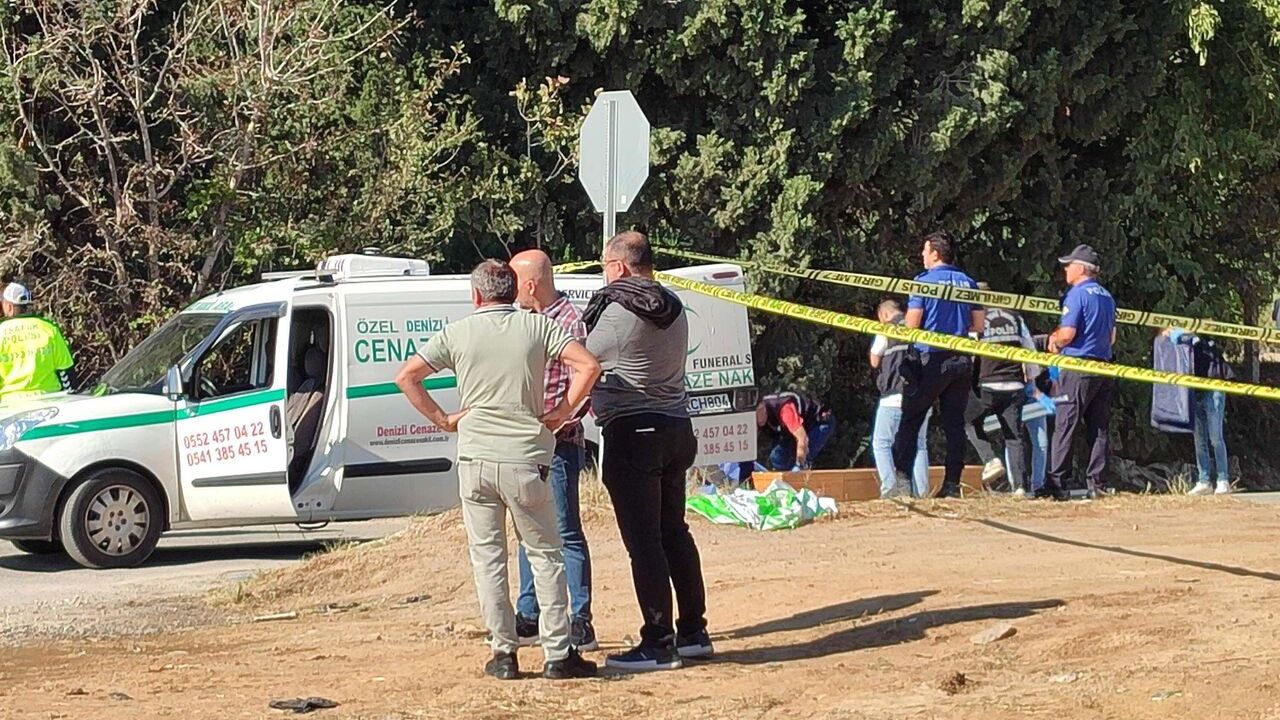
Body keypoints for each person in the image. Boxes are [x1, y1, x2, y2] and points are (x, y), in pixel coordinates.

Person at [394, 259, 601, 681]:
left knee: (488, 557)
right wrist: (562, 412)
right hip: (526, 457)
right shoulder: (538, 327)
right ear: (514, 290)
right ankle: (558, 653)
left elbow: (407, 377)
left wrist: (444, 419)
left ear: (476, 295)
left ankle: (503, 652)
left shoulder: (457, 332)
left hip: (475, 459)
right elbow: (589, 366)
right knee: (545, 553)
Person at [585, 230, 711, 672]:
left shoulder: (619, 313)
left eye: (604, 266)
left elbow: (581, 360)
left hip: (634, 430)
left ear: (619, 267)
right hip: (676, 425)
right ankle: (693, 631)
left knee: (644, 542)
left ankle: (658, 641)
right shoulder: (673, 305)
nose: (604, 275)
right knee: (674, 531)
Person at [509, 249, 597, 650]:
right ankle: (529, 615)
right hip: (527, 443)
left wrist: (562, 415)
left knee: (565, 531)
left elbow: (586, 374)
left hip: (559, 444)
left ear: (531, 285)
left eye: (515, 282)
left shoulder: (567, 321)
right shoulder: (525, 319)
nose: (511, 290)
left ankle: (580, 620)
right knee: (528, 530)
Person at [891, 231, 984, 498]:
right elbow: (978, 325)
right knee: (954, 423)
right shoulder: (968, 283)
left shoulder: (924, 282)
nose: (922, 254)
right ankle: (952, 484)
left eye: (925, 250)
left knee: (911, 419)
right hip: (961, 359)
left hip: (930, 358)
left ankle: (903, 483)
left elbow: (912, 324)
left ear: (935, 253)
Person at [1044, 244, 1117, 501]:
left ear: (1081, 269)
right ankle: (1098, 483)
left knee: (1065, 425)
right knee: (1098, 428)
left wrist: (1054, 341)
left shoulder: (1076, 295)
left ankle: (1057, 484)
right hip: (1103, 367)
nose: (1065, 269)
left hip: (1077, 367)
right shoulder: (1107, 297)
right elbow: (1112, 337)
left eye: (1069, 265)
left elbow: (1067, 334)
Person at [964, 286, 1039, 495]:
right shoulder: (1015, 317)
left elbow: (970, 350)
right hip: (1014, 384)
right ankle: (1020, 487)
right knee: (1014, 436)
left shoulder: (978, 317)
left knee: (970, 422)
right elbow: (1029, 349)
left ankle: (990, 460)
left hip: (987, 383)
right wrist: (1031, 378)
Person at [869, 299, 930, 497]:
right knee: (919, 443)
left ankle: (890, 490)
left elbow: (874, 359)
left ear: (884, 315)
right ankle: (922, 493)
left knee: (881, 443)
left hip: (893, 396)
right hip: (921, 396)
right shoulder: (918, 325)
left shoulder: (886, 329)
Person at [1163, 328, 1234, 495]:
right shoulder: (1181, 345)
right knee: (1199, 439)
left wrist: (1178, 333)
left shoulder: (1205, 341)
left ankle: (1223, 479)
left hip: (1214, 389)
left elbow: (1182, 336)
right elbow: (1171, 340)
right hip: (1195, 392)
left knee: (1215, 437)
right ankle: (1204, 481)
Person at [0, 282, 75, 402]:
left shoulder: (1, 332)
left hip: (10, 405)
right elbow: (65, 370)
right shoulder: (48, 329)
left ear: (9, 307)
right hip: (50, 401)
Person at [756, 392, 835, 471]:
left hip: (819, 423)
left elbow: (803, 438)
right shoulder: (756, 419)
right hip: (795, 430)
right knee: (777, 457)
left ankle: (804, 468)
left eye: (759, 412)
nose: (756, 418)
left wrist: (799, 465)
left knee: (804, 455)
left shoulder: (785, 410)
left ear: (763, 407)